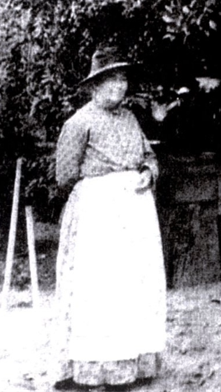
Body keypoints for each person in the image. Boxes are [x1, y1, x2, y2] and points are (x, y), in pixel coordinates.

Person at [52, 46, 167, 390]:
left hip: (136, 210)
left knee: (134, 284)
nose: (118, 86)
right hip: (98, 214)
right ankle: (93, 369)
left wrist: (148, 171)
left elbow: (148, 154)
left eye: (122, 78)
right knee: (100, 288)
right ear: (94, 86)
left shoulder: (130, 118)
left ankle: (132, 365)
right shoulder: (79, 123)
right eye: (110, 79)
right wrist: (102, 189)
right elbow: (64, 175)